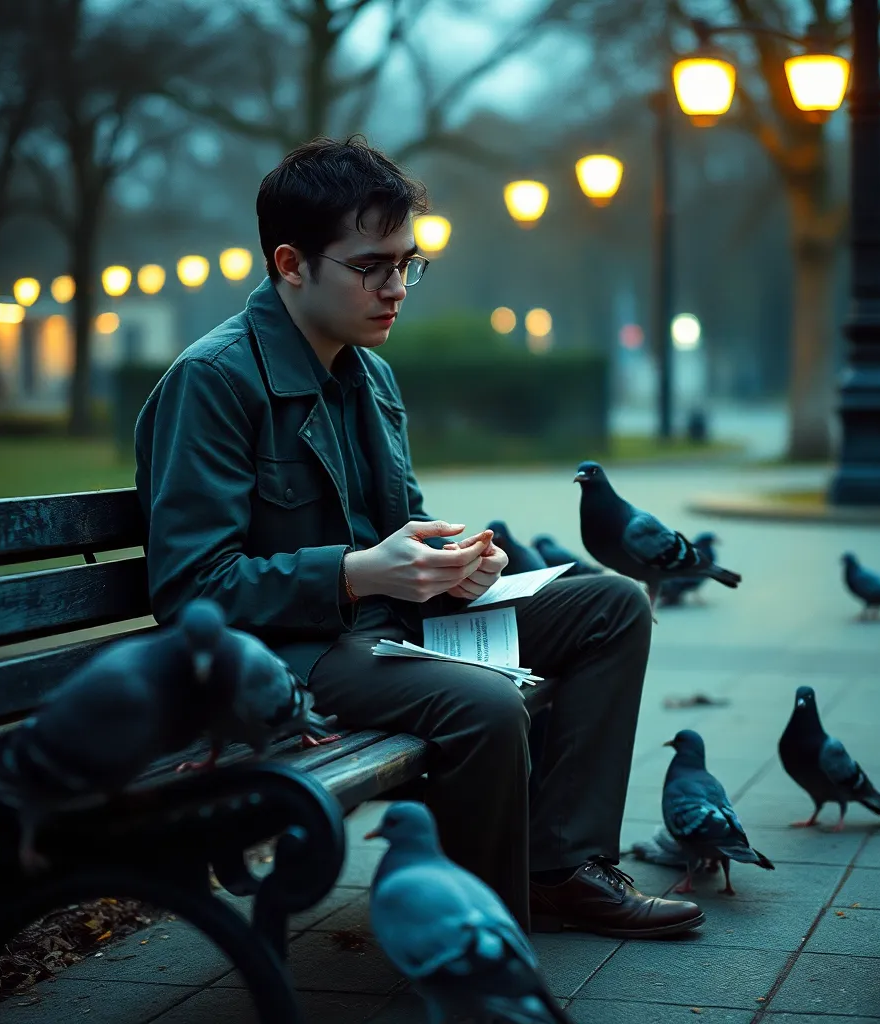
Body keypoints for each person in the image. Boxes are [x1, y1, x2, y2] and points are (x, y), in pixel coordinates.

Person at [134, 136, 704, 938]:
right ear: (292, 264)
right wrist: (356, 575)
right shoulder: (215, 380)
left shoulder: (369, 372)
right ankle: (479, 935)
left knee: (610, 604)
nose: (397, 287)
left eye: (408, 263)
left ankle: (559, 869)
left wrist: (459, 565)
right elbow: (191, 590)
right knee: (485, 706)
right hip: (286, 657)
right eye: (372, 266)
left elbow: (404, 525)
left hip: (389, 631)